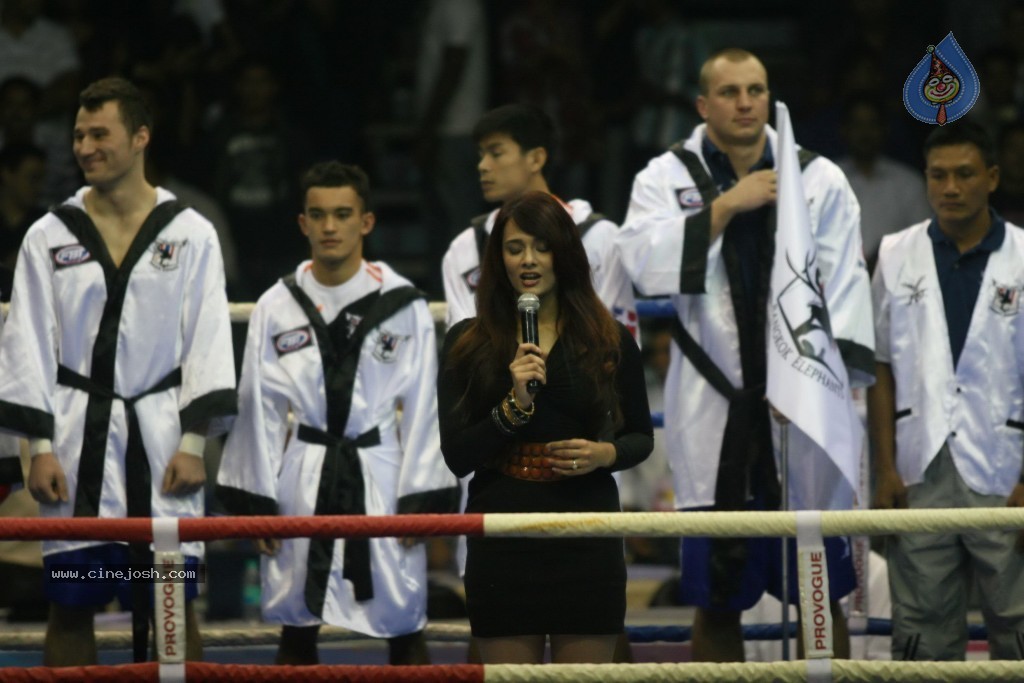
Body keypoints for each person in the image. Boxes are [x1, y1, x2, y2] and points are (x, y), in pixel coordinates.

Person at [616, 48, 874, 661]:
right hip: (714, 412)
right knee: (717, 597)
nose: (745, 102)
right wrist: (728, 205)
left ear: (769, 96)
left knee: (819, 594)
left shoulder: (819, 178)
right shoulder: (663, 178)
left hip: (802, 416)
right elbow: (643, 268)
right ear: (704, 105)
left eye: (755, 90)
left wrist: (809, 385)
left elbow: (844, 292)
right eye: (729, 92)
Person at [0, 76, 237, 665]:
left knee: (170, 602)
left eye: (99, 133)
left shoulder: (191, 233)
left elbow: (207, 336)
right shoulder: (47, 235)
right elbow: (25, 340)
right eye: (78, 135)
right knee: (73, 603)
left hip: (161, 446)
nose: (85, 146)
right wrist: (38, 447)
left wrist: (191, 442)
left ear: (140, 138)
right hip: (77, 448)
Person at [216, 161, 459, 665]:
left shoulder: (403, 303)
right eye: (319, 215)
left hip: (381, 471)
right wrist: (256, 499)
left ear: (365, 222)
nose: (330, 227)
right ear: (303, 223)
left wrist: (424, 498)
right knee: (296, 623)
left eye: (342, 214)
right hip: (301, 469)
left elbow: (424, 406)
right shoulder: (275, 304)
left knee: (403, 618)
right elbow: (257, 405)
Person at [438, 190, 653, 664]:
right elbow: (457, 456)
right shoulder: (467, 342)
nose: (528, 260)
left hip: (586, 527)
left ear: (565, 254)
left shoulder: (609, 338)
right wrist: (512, 407)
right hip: (504, 530)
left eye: (541, 246)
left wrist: (606, 455)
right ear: (499, 259)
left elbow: (641, 436)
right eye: (515, 248)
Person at [870, 121, 1024, 661]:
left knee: (1019, 619)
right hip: (919, 466)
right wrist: (885, 468)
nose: (950, 187)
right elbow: (880, 366)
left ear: (992, 177)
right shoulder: (894, 252)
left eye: (964, 174)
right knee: (920, 627)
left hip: (1007, 468)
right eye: (938, 176)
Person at [442, 103, 637, 335]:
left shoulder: (599, 237)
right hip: (496, 370)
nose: (483, 166)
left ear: (536, 159)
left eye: (496, 153)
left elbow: (619, 344)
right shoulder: (464, 249)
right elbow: (464, 350)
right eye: (481, 155)